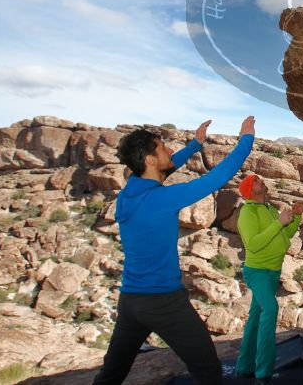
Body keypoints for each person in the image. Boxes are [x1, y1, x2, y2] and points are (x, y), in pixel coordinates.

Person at [92, 116, 256, 385]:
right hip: (163, 302)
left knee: (112, 373)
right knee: (208, 371)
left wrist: (195, 144)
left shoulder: (128, 194)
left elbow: (163, 171)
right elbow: (218, 177)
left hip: (131, 301)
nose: (169, 151)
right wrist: (246, 139)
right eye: (162, 148)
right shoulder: (162, 200)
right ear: (150, 160)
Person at [235, 174, 303, 385]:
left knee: (256, 317)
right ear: (250, 190)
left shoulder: (269, 208)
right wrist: (278, 223)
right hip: (257, 272)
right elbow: (254, 244)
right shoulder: (247, 213)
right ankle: (263, 373)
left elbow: (286, 233)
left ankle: (244, 366)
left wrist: (296, 217)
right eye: (256, 181)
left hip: (273, 271)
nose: (261, 181)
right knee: (270, 310)